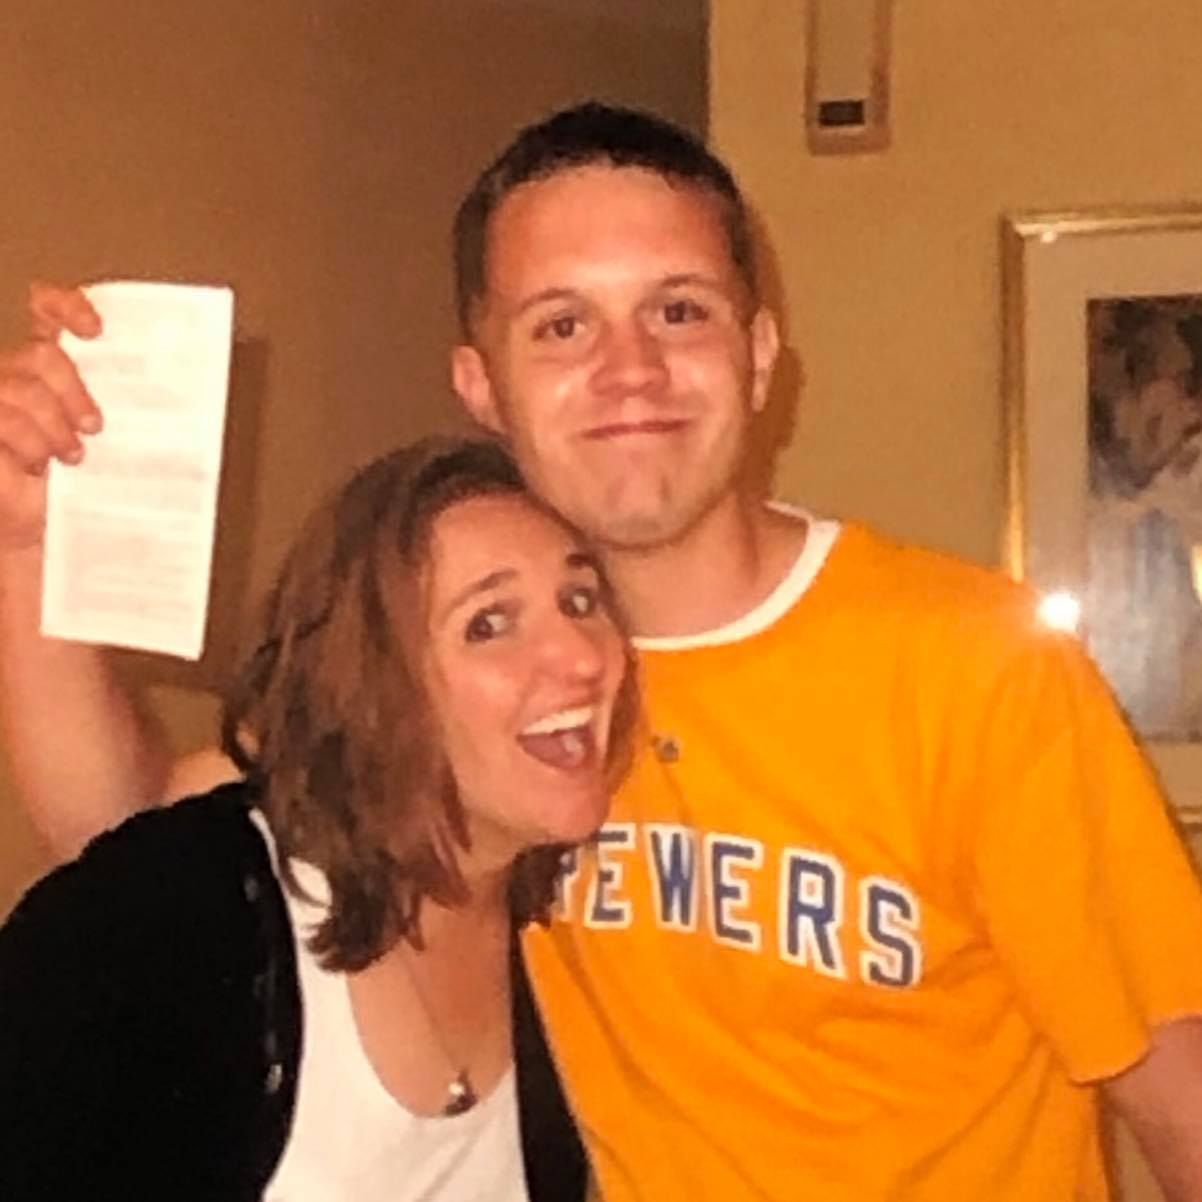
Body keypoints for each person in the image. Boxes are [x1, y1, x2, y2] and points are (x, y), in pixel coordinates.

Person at [2, 101, 1202, 1201]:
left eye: (677, 309)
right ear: (481, 382)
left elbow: (1176, 1095)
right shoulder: (477, 686)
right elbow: (132, 839)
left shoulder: (973, 666)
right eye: (562, 323)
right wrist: (27, 539)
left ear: (758, 353)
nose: (630, 369)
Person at [0, 434, 638, 1201]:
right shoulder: (188, 916)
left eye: (581, 600)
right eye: (489, 623)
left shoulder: (583, 935)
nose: (581, 657)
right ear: (371, 684)